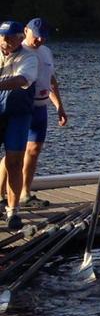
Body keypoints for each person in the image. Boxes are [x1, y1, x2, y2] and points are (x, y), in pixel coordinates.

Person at [20, 18, 67, 209]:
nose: (40, 41)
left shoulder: (46, 52)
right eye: (37, 37)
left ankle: (25, 193)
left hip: (41, 108)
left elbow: (51, 81)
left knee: (33, 151)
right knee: (13, 154)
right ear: (26, 31)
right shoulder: (19, 52)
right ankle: (0, 195)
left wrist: (59, 107)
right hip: (22, 108)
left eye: (43, 38)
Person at [1, 21, 38, 230]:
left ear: (19, 38)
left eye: (10, 37)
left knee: (14, 162)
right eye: (3, 37)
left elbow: (22, 80)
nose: (6, 42)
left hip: (18, 113)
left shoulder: (29, 56)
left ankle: (13, 211)